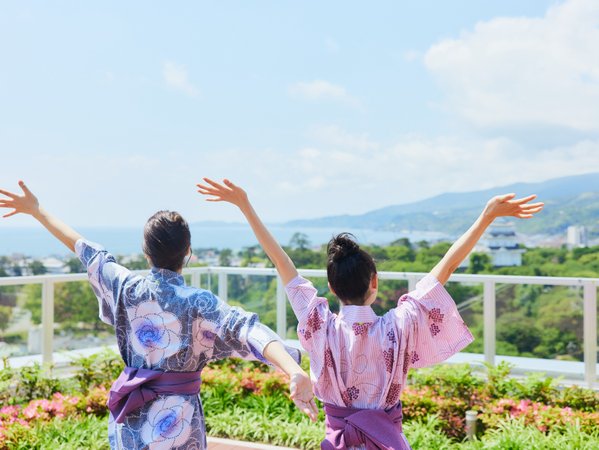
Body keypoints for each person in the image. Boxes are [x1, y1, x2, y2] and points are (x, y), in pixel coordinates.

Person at [197, 178, 544, 450]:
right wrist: (487, 216)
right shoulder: (400, 324)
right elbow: (447, 266)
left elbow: (281, 262)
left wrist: (245, 206)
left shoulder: (318, 323)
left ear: (331, 288)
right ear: (374, 283)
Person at [0, 181, 318, 450]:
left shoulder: (126, 287)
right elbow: (249, 331)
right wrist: (292, 368)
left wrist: (37, 210)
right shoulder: (201, 303)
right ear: (188, 252)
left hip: (131, 418)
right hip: (180, 426)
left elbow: (87, 251)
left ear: (145, 251)